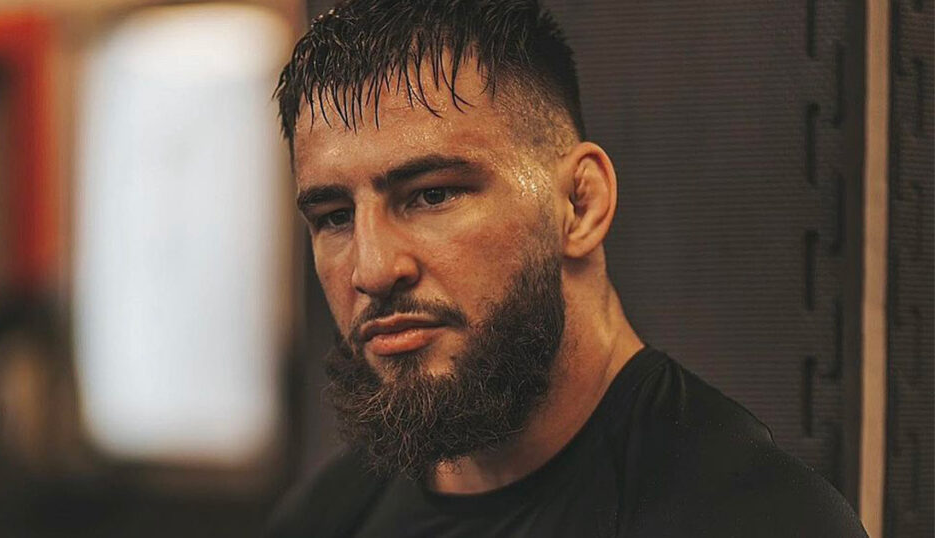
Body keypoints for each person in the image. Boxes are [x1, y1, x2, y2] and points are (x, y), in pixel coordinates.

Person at [264, 0, 868, 536]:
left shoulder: (751, 518)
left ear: (579, 204)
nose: (371, 270)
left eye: (432, 194)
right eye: (334, 217)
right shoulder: (325, 519)